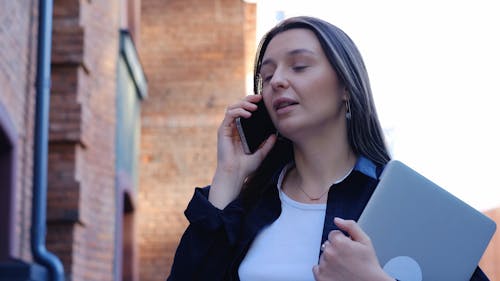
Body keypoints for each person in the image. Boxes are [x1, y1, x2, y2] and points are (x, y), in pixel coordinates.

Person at [166, 16, 489, 281]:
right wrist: (228, 176)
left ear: (346, 87)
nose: (277, 80)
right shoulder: (247, 208)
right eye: (267, 75)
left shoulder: (408, 206)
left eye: (299, 66)